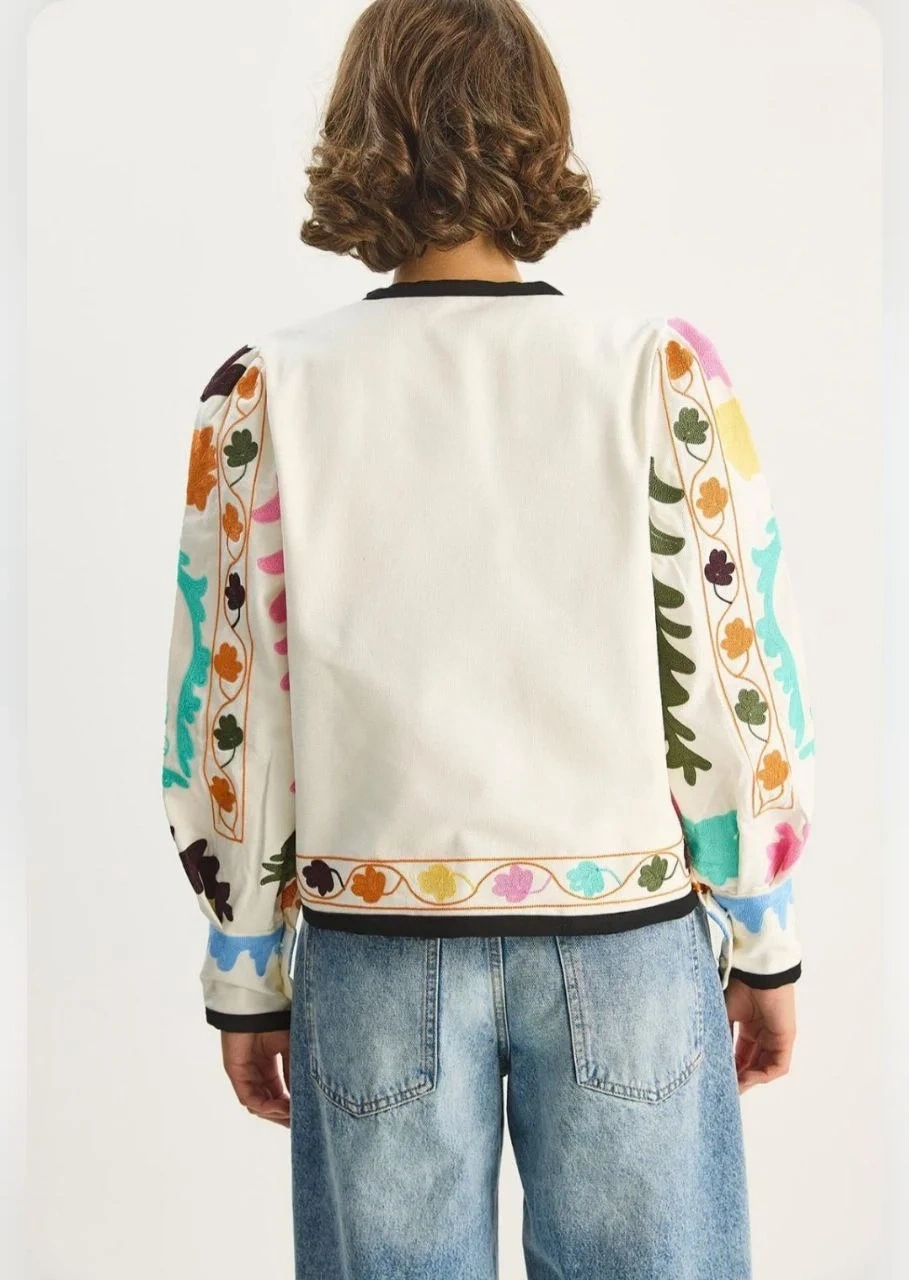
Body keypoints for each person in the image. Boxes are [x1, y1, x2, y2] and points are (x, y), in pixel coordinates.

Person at [160, 1, 815, 1277]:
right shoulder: (656, 371)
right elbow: (734, 675)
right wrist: (766, 933)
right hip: (626, 940)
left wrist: (245, 967)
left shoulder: (264, 393)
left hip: (373, 950)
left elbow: (234, 715)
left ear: (360, 135)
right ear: (538, 131)